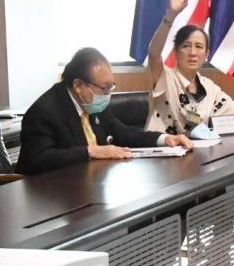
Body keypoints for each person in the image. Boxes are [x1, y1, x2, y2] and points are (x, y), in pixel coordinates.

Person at [17, 47, 192, 176]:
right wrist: (91, 151)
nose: (108, 94)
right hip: (52, 194)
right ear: (78, 85)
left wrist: (164, 139)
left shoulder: (92, 104)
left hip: (89, 183)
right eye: (104, 88)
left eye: (111, 87)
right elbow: (38, 160)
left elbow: (122, 133)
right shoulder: (44, 111)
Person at [145, 0, 234, 136]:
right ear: (176, 52)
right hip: (162, 147)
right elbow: (153, 54)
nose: (193, 52)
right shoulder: (165, 78)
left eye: (199, 47)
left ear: (206, 54)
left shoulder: (209, 88)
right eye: (186, 46)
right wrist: (170, 15)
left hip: (196, 149)